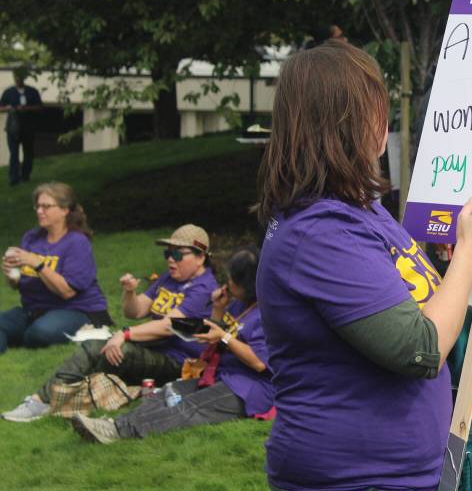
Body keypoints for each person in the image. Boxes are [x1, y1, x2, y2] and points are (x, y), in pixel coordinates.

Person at [254, 40, 472, 491]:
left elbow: (419, 311)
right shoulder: (320, 233)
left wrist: (471, 294)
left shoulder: (361, 211)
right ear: (346, 123)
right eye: (377, 107)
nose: (386, 121)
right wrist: (469, 253)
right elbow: (418, 349)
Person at [2, 224, 219, 423]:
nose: (170, 259)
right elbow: (136, 311)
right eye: (167, 253)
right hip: (153, 348)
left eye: (178, 254)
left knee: (96, 349)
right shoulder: (169, 279)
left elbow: (167, 325)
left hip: (177, 362)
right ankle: (52, 402)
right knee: (100, 357)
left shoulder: (204, 288)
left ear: (200, 258)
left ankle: (40, 402)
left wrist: (124, 334)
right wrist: (129, 292)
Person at [70, 247, 274, 443]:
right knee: (170, 392)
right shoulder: (239, 303)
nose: (227, 282)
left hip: (249, 388)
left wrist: (224, 337)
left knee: (190, 407)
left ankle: (118, 431)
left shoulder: (268, 314)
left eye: (231, 279)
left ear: (246, 284)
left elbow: (258, 363)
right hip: (223, 375)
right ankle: (117, 424)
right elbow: (217, 337)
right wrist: (218, 310)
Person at [0, 182, 110, 353]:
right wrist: (11, 274)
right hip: (34, 309)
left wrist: (37, 263)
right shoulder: (31, 237)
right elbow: (18, 284)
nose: (39, 211)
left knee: (39, 334)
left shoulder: (76, 242)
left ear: (65, 210)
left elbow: (67, 292)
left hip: (76, 310)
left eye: (46, 206)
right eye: (37, 206)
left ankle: (21, 335)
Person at [0, 70, 43, 186]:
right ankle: (14, 178)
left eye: (20, 78)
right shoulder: (9, 92)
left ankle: (26, 176)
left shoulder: (32, 92)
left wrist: (26, 108)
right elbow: (1, 107)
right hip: (13, 128)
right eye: (16, 78)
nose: (18, 80)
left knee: (28, 153)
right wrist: (9, 108)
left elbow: (39, 107)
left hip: (28, 127)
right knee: (14, 153)